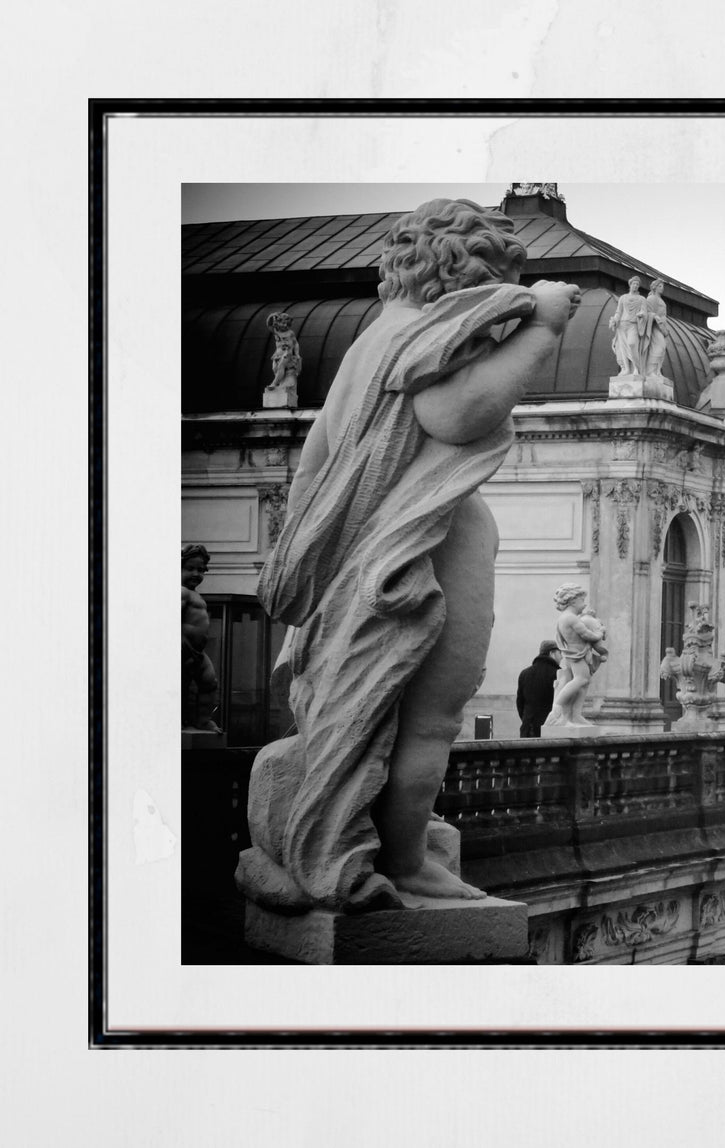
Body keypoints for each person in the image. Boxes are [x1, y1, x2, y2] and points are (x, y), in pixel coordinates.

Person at [238, 197, 581, 913]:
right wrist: (543, 325)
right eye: (505, 274)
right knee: (427, 720)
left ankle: (384, 845)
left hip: (369, 562)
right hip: (416, 556)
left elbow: (315, 464)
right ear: (474, 268)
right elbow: (457, 416)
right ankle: (404, 864)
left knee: (384, 718)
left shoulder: (370, 341)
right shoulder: (425, 335)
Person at [545, 585, 609, 727]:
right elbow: (587, 634)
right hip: (576, 654)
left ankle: (575, 715)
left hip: (576, 653)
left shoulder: (568, 617)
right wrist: (599, 632)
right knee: (581, 679)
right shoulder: (570, 618)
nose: (584, 604)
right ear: (573, 601)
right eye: (582, 600)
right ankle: (557, 709)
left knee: (583, 683)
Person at [181, 545, 222, 732]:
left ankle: (203, 720)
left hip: (197, 651)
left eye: (200, 569)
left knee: (209, 682)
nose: (196, 574)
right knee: (180, 686)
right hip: (182, 647)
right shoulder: (180, 591)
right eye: (189, 568)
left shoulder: (194, 594)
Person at [516, 640, 562, 738]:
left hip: (528, 728)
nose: (562, 656)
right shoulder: (559, 674)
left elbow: (520, 703)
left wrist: (527, 719)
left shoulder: (524, 673)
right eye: (560, 653)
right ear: (552, 653)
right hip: (550, 730)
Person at [608, 275, 646, 375]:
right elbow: (619, 312)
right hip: (622, 325)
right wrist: (615, 320)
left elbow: (644, 311)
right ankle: (627, 369)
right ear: (630, 285)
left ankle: (636, 368)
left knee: (632, 344)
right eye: (634, 284)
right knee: (623, 348)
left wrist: (642, 314)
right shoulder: (623, 298)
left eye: (637, 284)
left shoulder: (642, 299)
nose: (636, 286)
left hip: (633, 325)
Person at [641, 278, 669, 377]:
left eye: (662, 287)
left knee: (662, 348)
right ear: (655, 287)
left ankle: (657, 371)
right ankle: (650, 371)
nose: (662, 289)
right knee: (659, 347)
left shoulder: (660, 299)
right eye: (660, 286)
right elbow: (647, 312)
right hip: (654, 327)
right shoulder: (652, 298)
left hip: (661, 327)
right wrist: (655, 317)